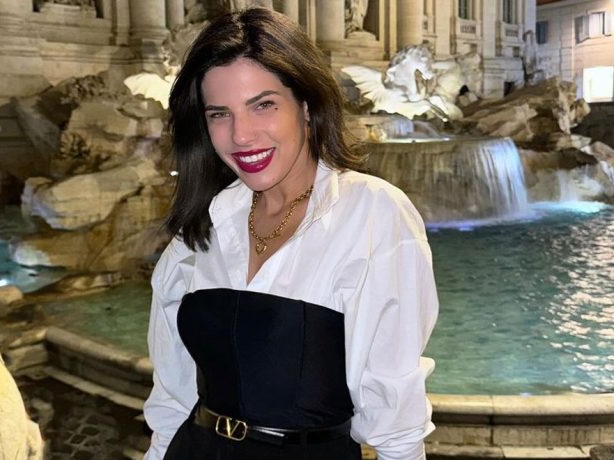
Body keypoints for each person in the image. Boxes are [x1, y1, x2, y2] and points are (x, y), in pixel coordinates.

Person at [143, 7, 439, 460]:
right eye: (219, 114)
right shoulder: (202, 224)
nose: (241, 135)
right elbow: (172, 396)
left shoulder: (372, 213)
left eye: (263, 105)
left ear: (306, 105)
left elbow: (396, 424)